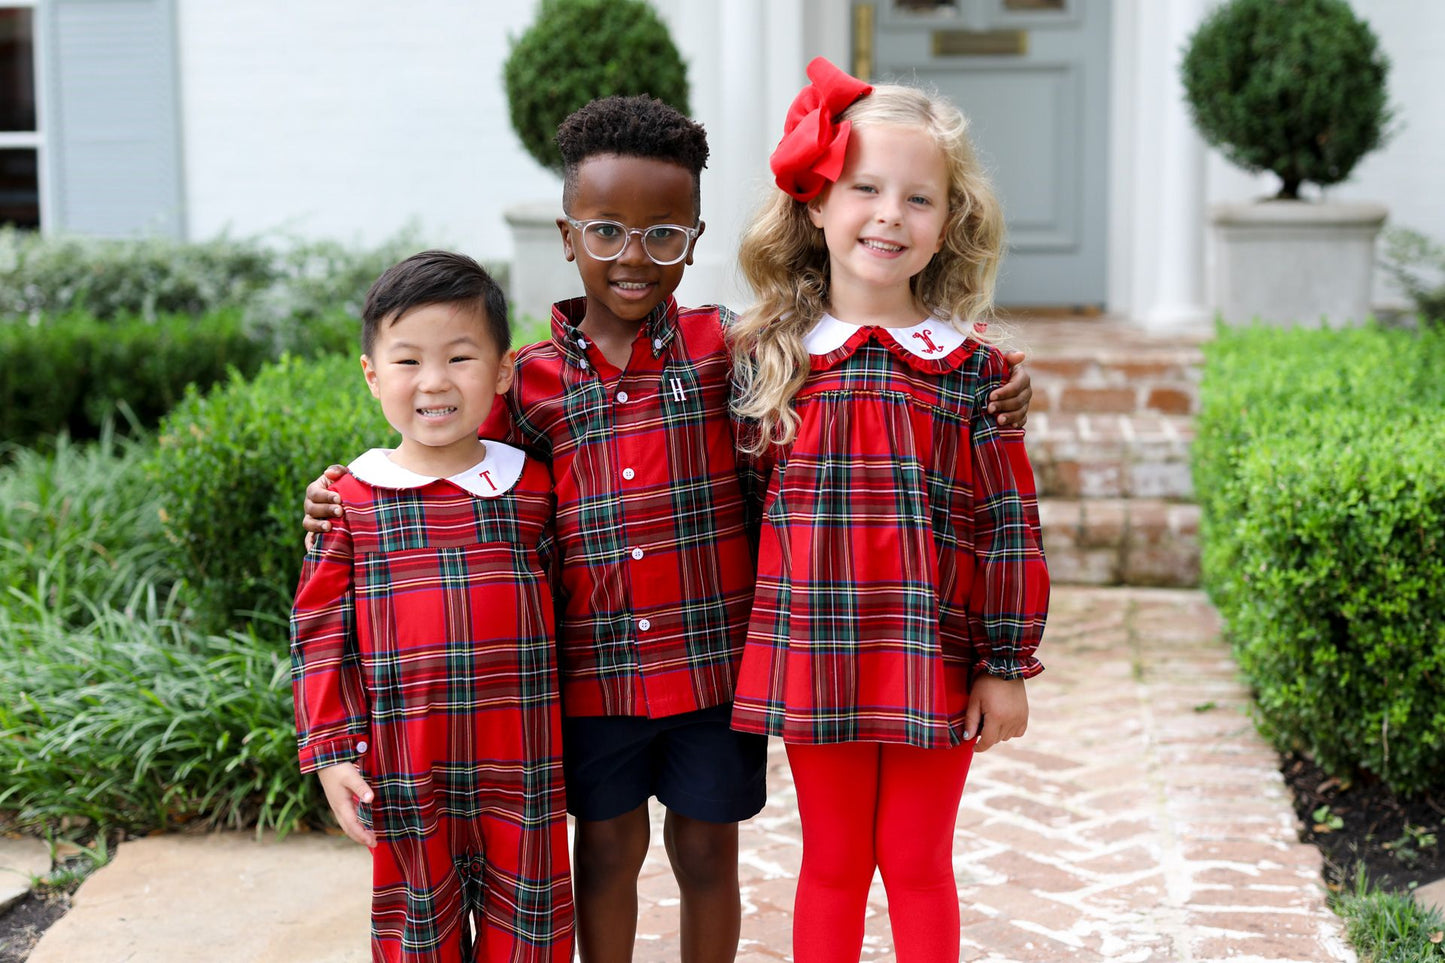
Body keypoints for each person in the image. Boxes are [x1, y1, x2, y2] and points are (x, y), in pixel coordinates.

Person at [303, 94, 1034, 963]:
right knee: (609, 851)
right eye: (606, 232)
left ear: (692, 239)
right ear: (568, 237)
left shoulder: (736, 351)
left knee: (708, 852)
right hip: (596, 673)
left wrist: (999, 386)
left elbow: (841, 440)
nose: (632, 256)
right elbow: (451, 458)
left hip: (712, 668)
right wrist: (347, 489)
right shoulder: (524, 385)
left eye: (661, 235)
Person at [727, 59, 1051, 963]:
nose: (888, 215)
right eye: (864, 188)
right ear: (815, 204)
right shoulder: (767, 361)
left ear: (949, 223)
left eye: (918, 198)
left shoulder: (974, 371)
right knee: (832, 863)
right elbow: (735, 509)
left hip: (931, 651)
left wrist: (1004, 662)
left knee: (915, 862)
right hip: (816, 649)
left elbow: (1007, 525)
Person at [290, 250, 572, 962]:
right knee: (418, 936)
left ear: (502, 371)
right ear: (372, 375)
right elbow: (318, 633)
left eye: (460, 357)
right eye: (408, 361)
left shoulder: (533, 488)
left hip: (522, 763)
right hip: (407, 766)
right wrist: (331, 754)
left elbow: (574, 606)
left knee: (530, 933)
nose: (435, 381)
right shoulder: (350, 502)